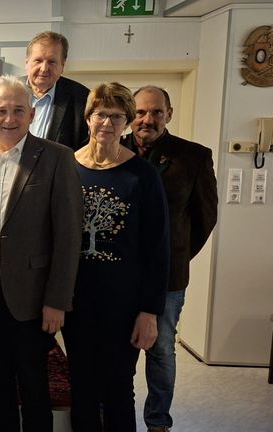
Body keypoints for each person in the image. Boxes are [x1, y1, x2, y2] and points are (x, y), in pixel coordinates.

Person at [0, 75, 83, 432]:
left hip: (34, 294)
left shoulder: (57, 157)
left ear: (31, 114)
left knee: (33, 383)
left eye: (18, 111)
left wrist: (57, 300)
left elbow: (68, 235)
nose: (9, 119)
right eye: (1, 111)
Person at [65, 82, 170, 431]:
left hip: (123, 305)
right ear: (88, 118)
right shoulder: (67, 167)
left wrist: (149, 311)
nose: (106, 123)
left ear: (126, 122)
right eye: (100, 114)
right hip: (75, 300)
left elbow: (158, 248)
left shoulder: (142, 175)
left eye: (116, 116)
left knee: (117, 387)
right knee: (80, 385)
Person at [123, 85, 218, 432]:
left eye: (156, 112)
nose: (148, 119)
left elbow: (205, 217)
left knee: (161, 351)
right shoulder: (113, 150)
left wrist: (173, 256)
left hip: (168, 278)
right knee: (120, 352)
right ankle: (117, 415)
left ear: (169, 114)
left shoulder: (193, 156)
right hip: (119, 276)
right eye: (141, 112)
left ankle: (158, 421)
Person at [24, 31, 89, 150]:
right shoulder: (6, 92)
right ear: (27, 63)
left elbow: (85, 148)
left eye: (52, 62)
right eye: (38, 60)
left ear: (62, 66)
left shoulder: (82, 98)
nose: (44, 69)